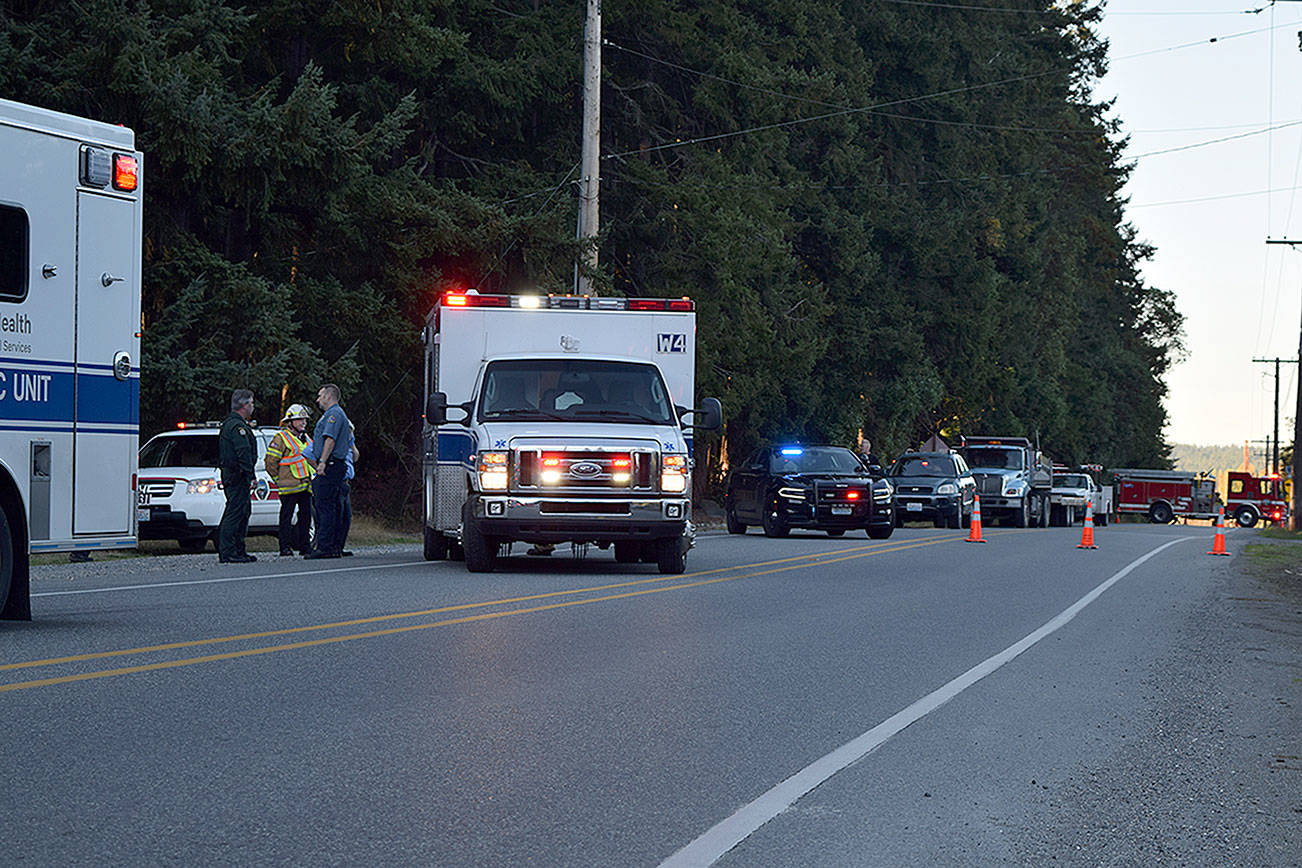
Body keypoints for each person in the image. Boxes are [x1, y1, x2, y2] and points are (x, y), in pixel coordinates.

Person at [305, 383, 353, 559]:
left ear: (328, 396)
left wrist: (323, 461)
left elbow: (330, 440)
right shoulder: (336, 414)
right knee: (332, 507)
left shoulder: (333, 415)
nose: (318, 399)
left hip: (331, 464)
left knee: (325, 507)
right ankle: (333, 546)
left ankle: (325, 546)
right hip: (334, 465)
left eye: (320, 395)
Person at [265, 403, 314, 556]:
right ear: (291, 422)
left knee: (305, 516)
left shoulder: (306, 438)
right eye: (300, 420)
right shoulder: (281, 438)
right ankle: (284, 547)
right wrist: (277, 479)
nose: (303, 423)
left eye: (305, 420)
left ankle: (305, 545)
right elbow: (270, 462)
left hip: (305, 485)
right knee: (286, 516)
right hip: (288, 486)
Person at [218, 389, 257, 563]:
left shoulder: (237, 424)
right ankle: (228, 551)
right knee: (235, 512)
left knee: (243, 511)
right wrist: (250, 475)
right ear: (244, 405)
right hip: (237, 476)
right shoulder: (236, 426)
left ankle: (239, 550)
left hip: (238, 475)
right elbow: (243, 452)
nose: (253, 406)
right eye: (251, 403)